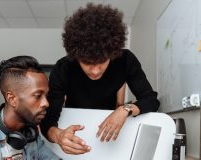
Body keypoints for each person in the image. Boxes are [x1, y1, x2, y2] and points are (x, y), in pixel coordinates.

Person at [40, 3, 160, 155]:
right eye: (87, 63)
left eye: (102, 61)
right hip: (75, 128)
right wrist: (58, 136)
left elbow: (151, 100)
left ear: (112, 53)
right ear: (76, 56)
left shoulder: (126, 60)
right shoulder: (63, 68)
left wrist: (124, 110)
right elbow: (48, 119)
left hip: (109, 132)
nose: (95, 71)